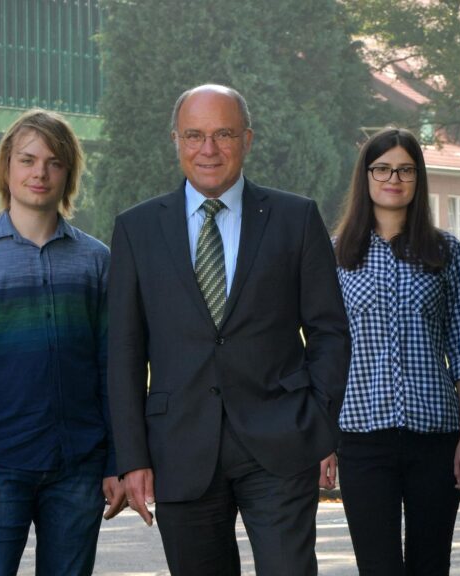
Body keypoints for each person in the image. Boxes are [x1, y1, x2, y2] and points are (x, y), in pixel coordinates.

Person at [107, 84, 350, 575]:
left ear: (247, 140)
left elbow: (329, 331)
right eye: (194, 135)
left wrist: (317, 421)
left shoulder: (295, 218)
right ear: (176, 140)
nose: (208, 149)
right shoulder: (136, 229)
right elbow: (124, 352)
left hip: (282, 442)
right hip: (179, 447)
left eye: (223, 134)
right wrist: (131, 457)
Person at [0, 109, 124, 574]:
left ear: (68, 174)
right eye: (28, 159)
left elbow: (112, 367)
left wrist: (117, 460)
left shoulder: (96, 262)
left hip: (79, 468)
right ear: (6, 167)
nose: (40, 172)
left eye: (54, 162)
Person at [332, 128, 460, 574]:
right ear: (365, 176)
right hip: (361, 436)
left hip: (435, 436)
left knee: (430, 565)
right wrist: (322, 442)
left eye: (405, 170)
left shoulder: (445, 251)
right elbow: (327, 354)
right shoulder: (336, 254)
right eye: (382, 169)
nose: (394, 179)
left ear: (419, 178)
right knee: (377, 566)